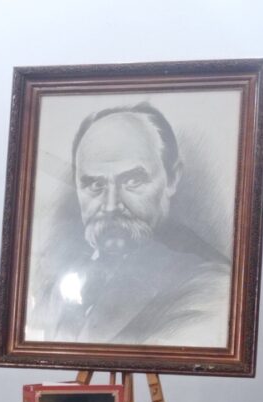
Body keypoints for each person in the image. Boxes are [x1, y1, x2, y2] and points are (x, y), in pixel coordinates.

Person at [26, 103, 231, 347]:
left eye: (132, 181)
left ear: (172, 179)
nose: (111, 205)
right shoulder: (63, 279)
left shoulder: (210, 287)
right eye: (95, 185)